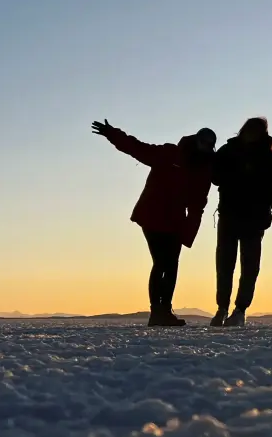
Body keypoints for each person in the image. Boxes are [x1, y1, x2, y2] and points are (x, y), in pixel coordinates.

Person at [90, 120, 215, 327]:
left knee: (171, 265)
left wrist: (188, 233)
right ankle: (157, 311)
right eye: (203, 142)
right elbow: (137, 148)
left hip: (175, 221)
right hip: (152, 216)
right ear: (196, 141)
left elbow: (198, 204)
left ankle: (164, 310)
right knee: (161, 263)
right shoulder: (170, 154)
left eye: (209, 144)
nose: (205, 146)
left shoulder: (204, 169)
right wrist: (112, 134)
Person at [209, 117, 272, 327]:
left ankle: (240, 309)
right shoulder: (228, 151)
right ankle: (222, 308)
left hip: (254, 218)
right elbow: (216, 176)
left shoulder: (270, 157)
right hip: (230, 214)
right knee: (224, 264)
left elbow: (269, 178)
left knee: (249, 266)